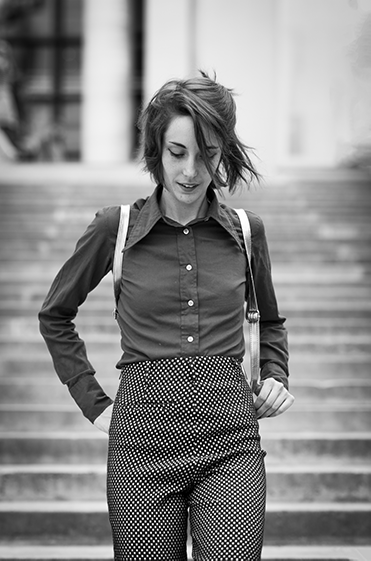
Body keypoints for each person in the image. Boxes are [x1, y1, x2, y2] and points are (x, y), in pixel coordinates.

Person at [39, 72, 294, 561]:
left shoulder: (246, 231)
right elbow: (55, 315)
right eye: (178, 152)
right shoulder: (115, 228)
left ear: (225, 153)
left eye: (209, 153)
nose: (192, 171)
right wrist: (94, 403)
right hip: (141, 444)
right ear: (157, 149)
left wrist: (276, 375)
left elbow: (271, 319)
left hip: (231, 441)